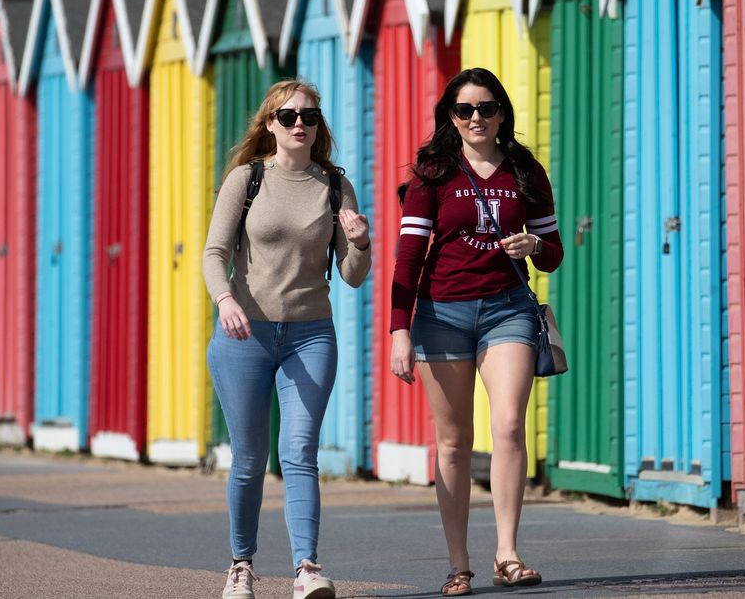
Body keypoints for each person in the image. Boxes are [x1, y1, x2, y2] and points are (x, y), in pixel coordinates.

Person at [389, 68, 563, 596]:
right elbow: (408, 258)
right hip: (441, 315)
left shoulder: (525, 170)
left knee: (509, 425)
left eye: (486, 108)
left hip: (507, 310)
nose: (476, 119)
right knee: (454, 441)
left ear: (502, 113)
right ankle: (458, 563)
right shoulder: (432, 175)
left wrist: (534, 246)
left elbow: (554, 254)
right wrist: (400, 331)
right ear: (451, 117)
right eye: (464, 110)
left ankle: (507, 554)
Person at [203, 79, 372, 599]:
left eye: (310, 117)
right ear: (270, 124)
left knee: (299, 450)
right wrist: (225, 302)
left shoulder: (335, 186)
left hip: (310, 335)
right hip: (245, 333)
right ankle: (241, 566)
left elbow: (352, 275)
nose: (301, 124)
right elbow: (214, 254)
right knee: (250, 456)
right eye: (289, 116)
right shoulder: (247, 179)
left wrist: (362, 243)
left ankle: (306, 569)